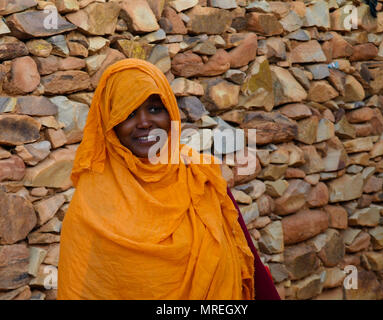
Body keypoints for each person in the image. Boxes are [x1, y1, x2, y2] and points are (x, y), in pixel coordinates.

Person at [57, 58, 280, 300]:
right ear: (109, 123)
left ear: (171, 113)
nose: (144, 123)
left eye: (155, 109)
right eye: (128, 112)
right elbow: (82, 289)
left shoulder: (200, 176)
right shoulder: (91, 205)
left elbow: (248, 267)